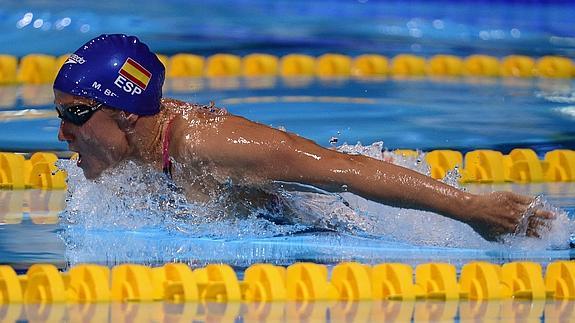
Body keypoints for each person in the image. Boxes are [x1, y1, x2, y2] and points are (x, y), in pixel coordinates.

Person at [54, 34, 553, 241]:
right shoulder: (138, 148)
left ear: (125, 115)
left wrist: (471, 209)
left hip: (320, 238)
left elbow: (346, 171)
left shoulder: (210, 146)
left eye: (75, 114)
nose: (63, 134)